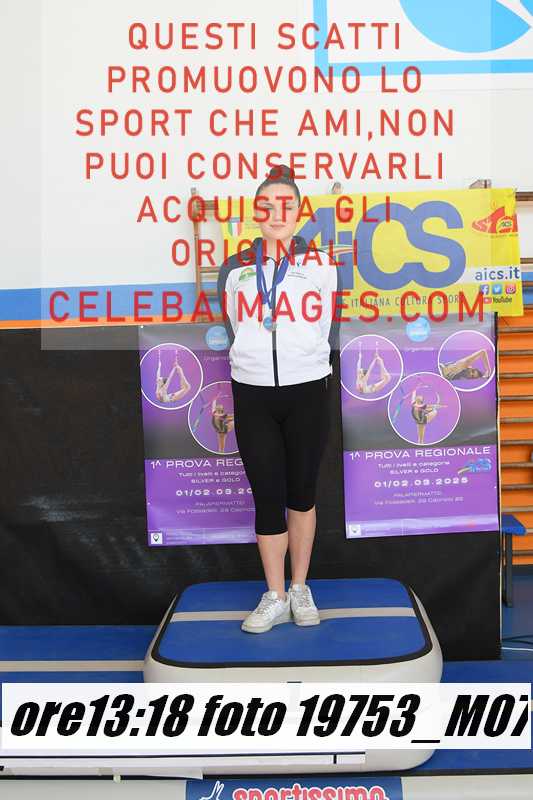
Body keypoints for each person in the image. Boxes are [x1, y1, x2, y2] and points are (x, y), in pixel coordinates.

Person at [217, 164, 342, 634]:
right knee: (267, 496)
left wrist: (301, 360)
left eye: (285, 205)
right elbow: (235, 328)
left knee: (301, 493)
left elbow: (327, 327)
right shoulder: (234, 268)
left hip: (307, 390)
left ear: (298, 211)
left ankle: (300, 587)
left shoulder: (321, 265)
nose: (276, 214)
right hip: (253, 393)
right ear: (256, 212)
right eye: (266, 206)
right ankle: (274, 595)